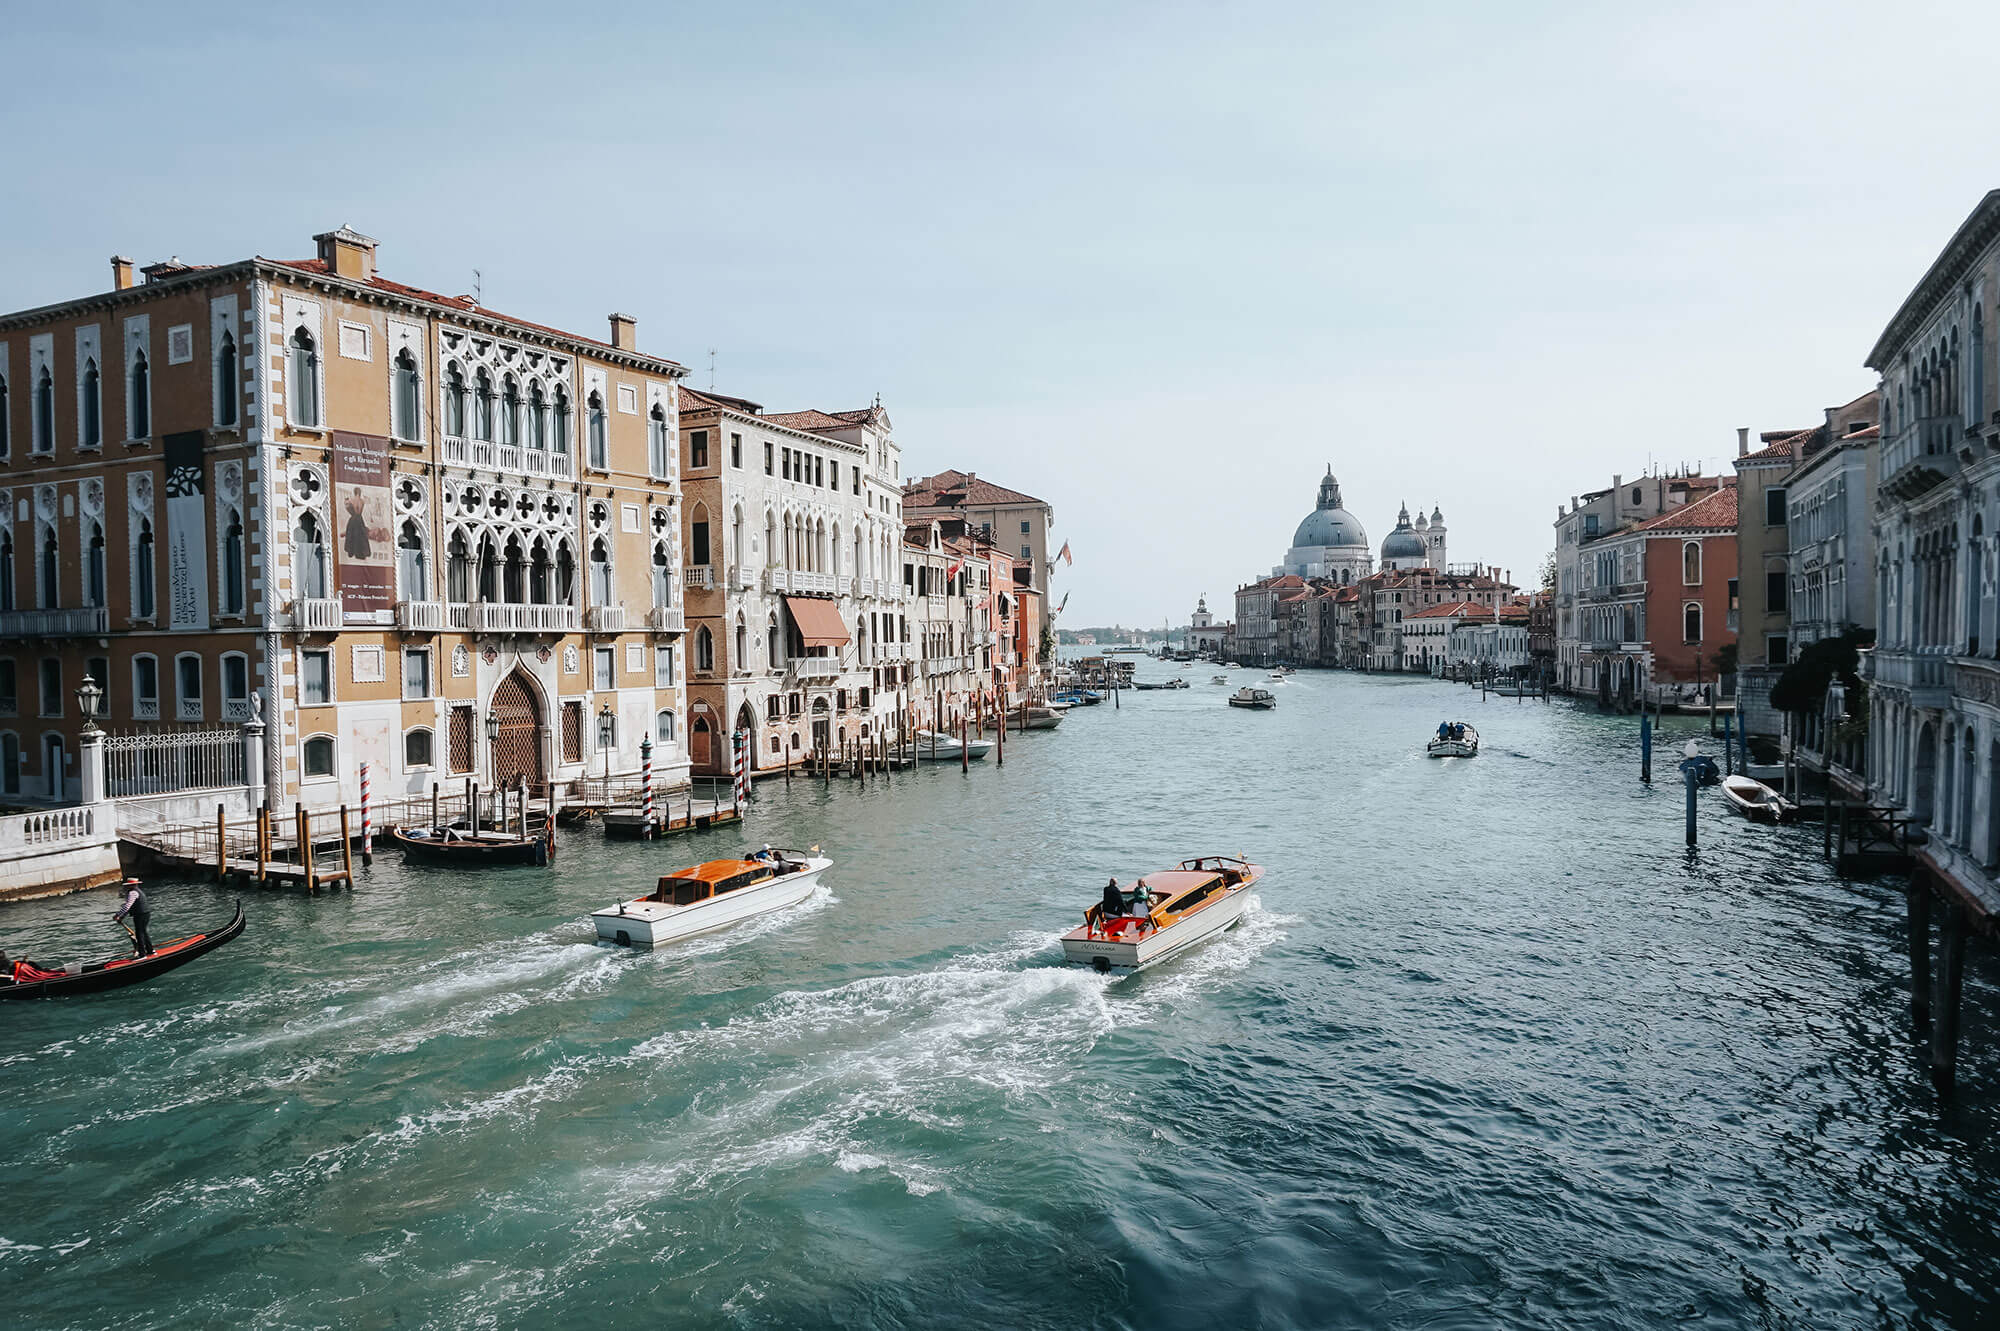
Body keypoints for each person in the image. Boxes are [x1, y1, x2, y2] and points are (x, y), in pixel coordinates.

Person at [114, 883, 153, 956]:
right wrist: (121, 917)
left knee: (139, 934)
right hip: (146, 913)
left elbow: (127, 906)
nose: (126, 887)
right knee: (143, 932)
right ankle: (150, 950)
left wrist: (117, 915)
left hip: (140, 915)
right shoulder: (138, 891)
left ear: (131, 885)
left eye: (127, 885)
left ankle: (142, 954)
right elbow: (131, 907)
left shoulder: (132, 893)